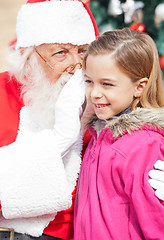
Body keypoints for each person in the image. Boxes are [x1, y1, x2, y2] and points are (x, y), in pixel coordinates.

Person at [0, 0, 99, 239]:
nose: (76, 66)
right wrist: (57, 143)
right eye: (61, 53)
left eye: (83, 51)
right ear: (29, 57)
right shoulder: (3, 91)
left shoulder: (100, 98)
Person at [74, 28, 164, 240]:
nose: (95, 93)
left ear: (139, 87)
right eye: (89, 81)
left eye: (107, 84)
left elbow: (157, 226)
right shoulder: (98, 137)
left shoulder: (143, 146)